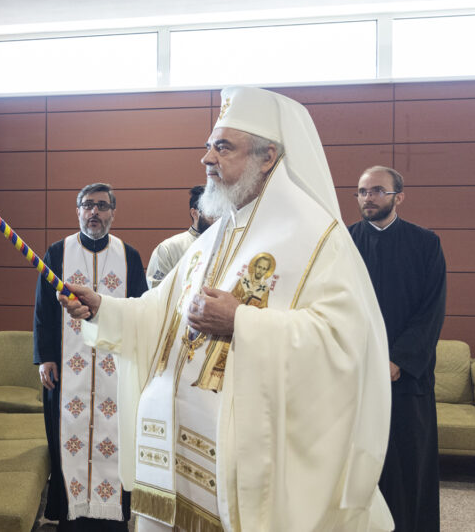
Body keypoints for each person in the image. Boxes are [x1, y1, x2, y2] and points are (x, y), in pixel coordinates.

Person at [60, 87, 393, 532]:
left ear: (268, 156)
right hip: (178, 446)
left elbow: (344, 342)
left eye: (223, 146)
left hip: (245, 457)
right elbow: (161, 314)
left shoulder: (317, 238)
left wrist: (241, 321)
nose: (207, 159)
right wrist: (105, 309)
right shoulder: (219, 233)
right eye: (208, 146)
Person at [33, 182, 148, 530]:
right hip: (69, 371)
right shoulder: (58, 252)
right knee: (67, 438)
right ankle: (73, 512)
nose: (94, 212)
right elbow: (43, 311)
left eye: (101, 206)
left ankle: (112, 516)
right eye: (88, 205)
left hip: (116, 368)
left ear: (113, 212)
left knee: (117, 437)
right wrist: (46, 357)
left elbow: (142, 310)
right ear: (78, 211)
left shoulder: (129, 257)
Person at [349, 166, 446, 532]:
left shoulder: (425, 243)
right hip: (355, 374)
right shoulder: (344, 244)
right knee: (358, 464)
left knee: (407, 465)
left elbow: (431, 310)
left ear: (398, 197)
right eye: (361, 192)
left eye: (377, 191)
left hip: (406, 379)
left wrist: (398, 360)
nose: (367, 198)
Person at [146, 185, 211, 288]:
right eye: (211, 211)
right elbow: (156, 290)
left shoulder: (226, 245)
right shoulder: (168, 249)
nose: (217, 217)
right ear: (194, 213)